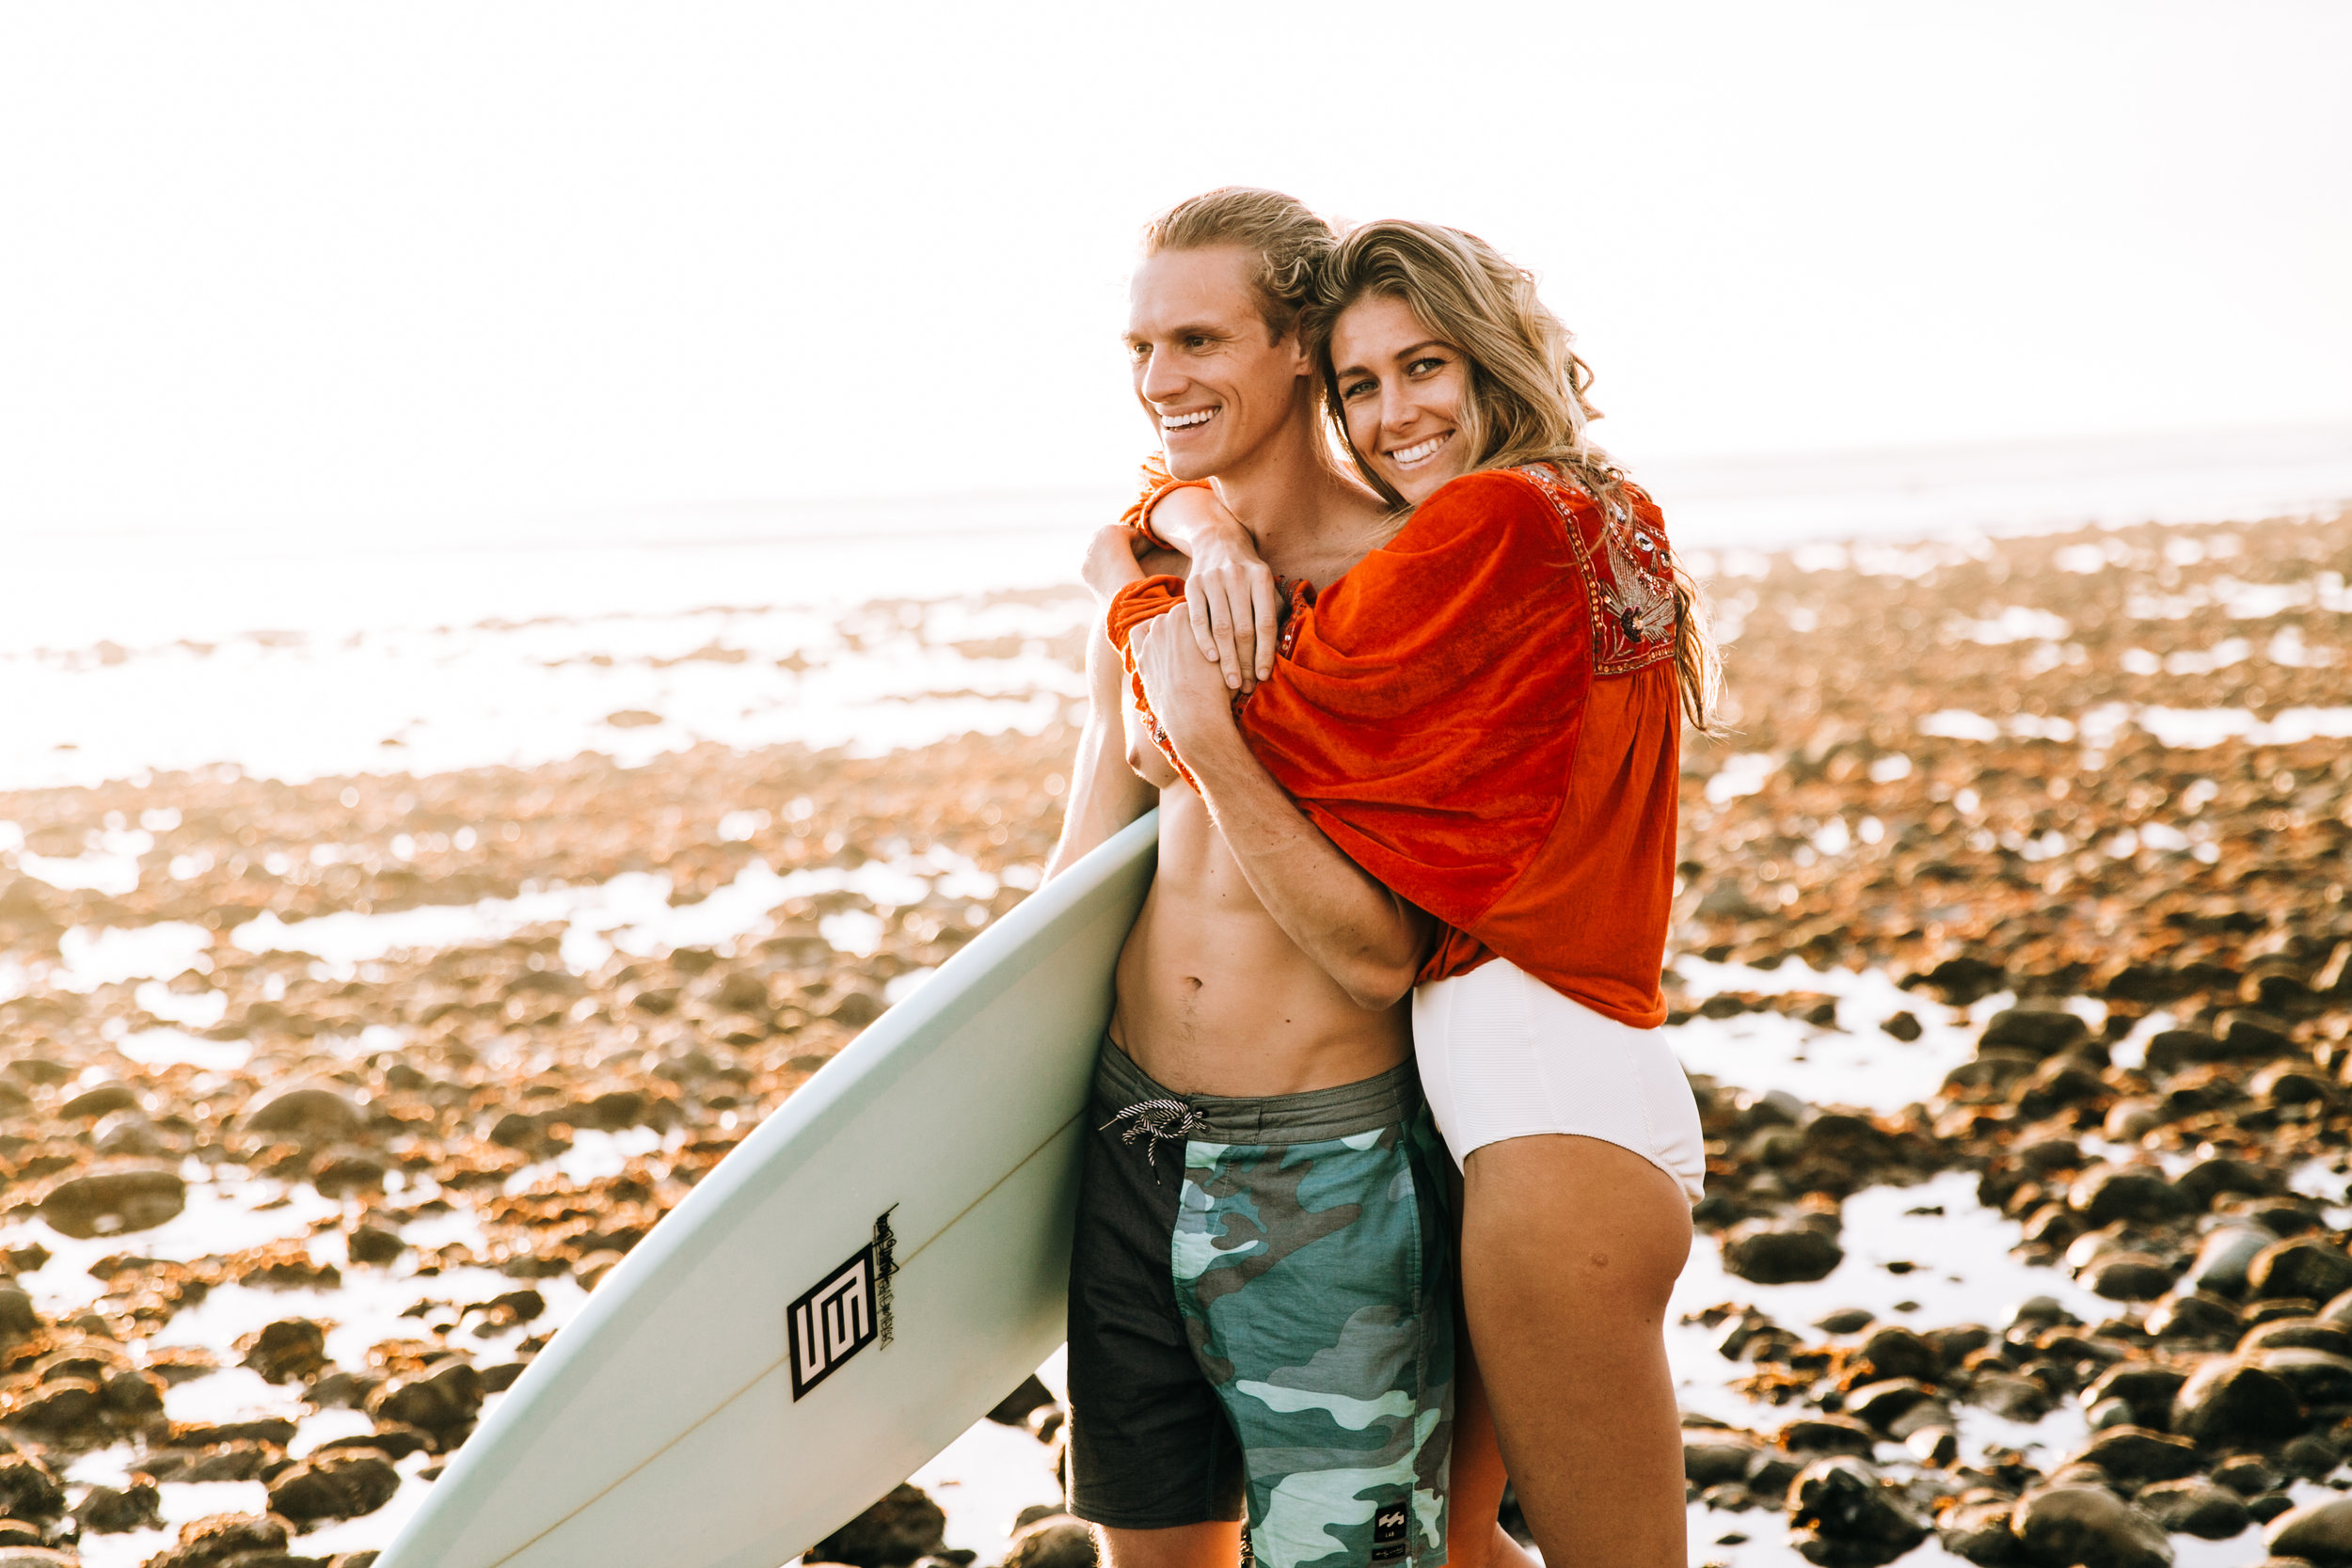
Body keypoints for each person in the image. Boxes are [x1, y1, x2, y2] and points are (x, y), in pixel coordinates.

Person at [1106, 217, 1719, 1568]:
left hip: (1546, 1128)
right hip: (1566, 1097)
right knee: (1456, 1549)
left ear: (1495, 356)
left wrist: (1141, 580)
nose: (1392, 417)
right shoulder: (1600, 509)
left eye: (1425, 368)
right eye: (1361, 385)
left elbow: (1259, 709)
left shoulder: (1495, 523)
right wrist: (1182, 522)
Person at [1043, 188, 1456, 1568]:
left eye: (1201, 341)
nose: (1162, 381)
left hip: (1321, 1175)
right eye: (1142, 348)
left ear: (1298, 346)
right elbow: (1083, 858)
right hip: (1128, 1137)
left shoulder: (1405, 585)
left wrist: (1212, 735)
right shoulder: (1152, 580)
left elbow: (1381, 953)